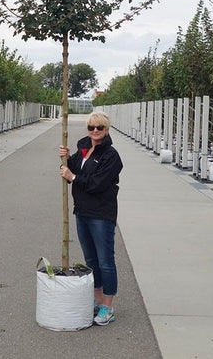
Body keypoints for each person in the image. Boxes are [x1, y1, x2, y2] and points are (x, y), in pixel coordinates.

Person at [59, 111, 123, 326]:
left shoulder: (111, 156)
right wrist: (66, 159)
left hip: (101, 214)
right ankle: (96, 300)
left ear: (106, 130)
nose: (95, 131)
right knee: (91, 261)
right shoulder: (84, 148)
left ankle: (108, 306)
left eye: (100, 128)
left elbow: (97, 183)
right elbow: (71, 169)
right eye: (91, 127)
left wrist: (73, 177)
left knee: (105, 262)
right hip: (82, 212)